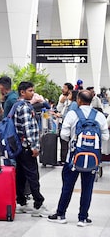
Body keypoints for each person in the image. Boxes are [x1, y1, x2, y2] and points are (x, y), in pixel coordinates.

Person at [48, 90, 109, 227]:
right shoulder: (99, 116)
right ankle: (83, 218)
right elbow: (105, 137)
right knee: (87, 188)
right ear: (92, 100)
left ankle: (61, 214)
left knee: (67, 187)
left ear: (79, 101)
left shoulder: (72, 114)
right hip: (93, 160)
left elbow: (64, 135)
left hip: (73, 158)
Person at [14, 81, 50, 217]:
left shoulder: (18, 105)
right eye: (30, 90)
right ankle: (38, 204)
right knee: (33, 175)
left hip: (20, 148)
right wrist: (34, 147)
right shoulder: (24, 107)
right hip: (27, 148)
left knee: (22, 175)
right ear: (22, 92)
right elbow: (28, 129)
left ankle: (21, 203)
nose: (32, 93)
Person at [56, 82, 74, 165]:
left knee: (69, 141)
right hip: (61, 122)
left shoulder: (73, 100)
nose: (63, 89)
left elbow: (70, 112)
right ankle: (63, 159)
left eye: (65, 88)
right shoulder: (62, 97)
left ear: (70, 91)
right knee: (62, 140)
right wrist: (61, 102)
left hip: (69, 123)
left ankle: (68, 158)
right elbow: (58, 108)